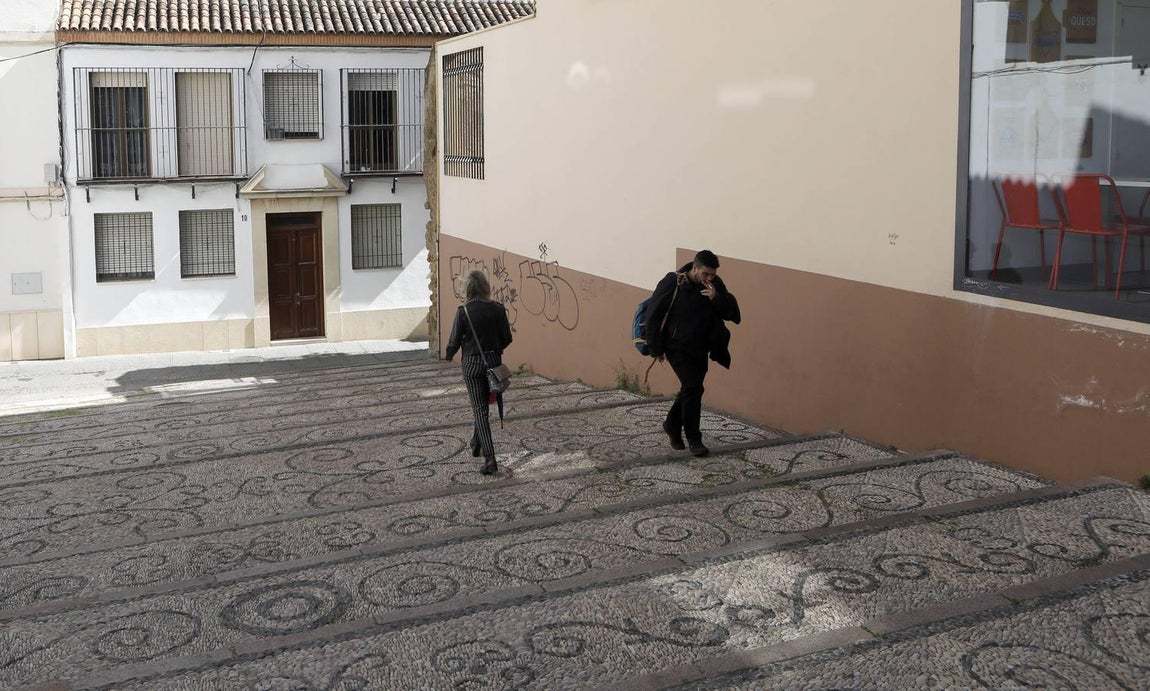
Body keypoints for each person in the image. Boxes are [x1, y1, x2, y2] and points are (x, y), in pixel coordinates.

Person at [644, 250, 740, 457]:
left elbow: (732, 312)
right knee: (693, 387)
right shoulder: (673, 282)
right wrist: (656, 348)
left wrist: (716, 297)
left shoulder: (715, 284)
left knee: (691, 390)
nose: (709, 278)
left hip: (702, 347)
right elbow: (653, 314)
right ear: (694, 268)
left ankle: (671, 424)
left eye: (712, 274)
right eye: (706, 274)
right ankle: (694, 439)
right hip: (676, 347)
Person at [444, 269, 513, 475]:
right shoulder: (498, 309)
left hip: (472, 364)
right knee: (482, 406)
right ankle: (476, 441)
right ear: (485, 287)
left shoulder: (463, 312)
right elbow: (507, 338)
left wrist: (448, 355)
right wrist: (495, 349)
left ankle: (490, 458)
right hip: (493, 362)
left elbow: (454, 342)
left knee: (479, 409)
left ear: (467, 289)